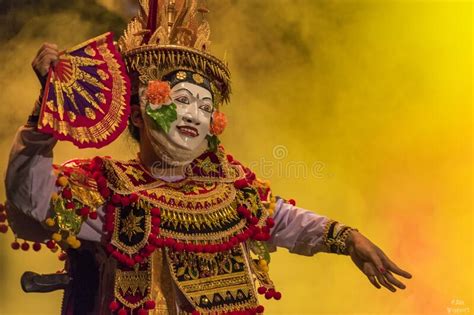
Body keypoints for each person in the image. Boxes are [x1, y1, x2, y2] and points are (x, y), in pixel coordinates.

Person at [4, 1, 412, 314]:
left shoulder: (230, 189)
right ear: (139, 112)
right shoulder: (105, 188)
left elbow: (283, 218)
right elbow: (31, 203)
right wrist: (44, 116)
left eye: (204, 106)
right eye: (180, 100)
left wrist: (347, 237)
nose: (194, 116)